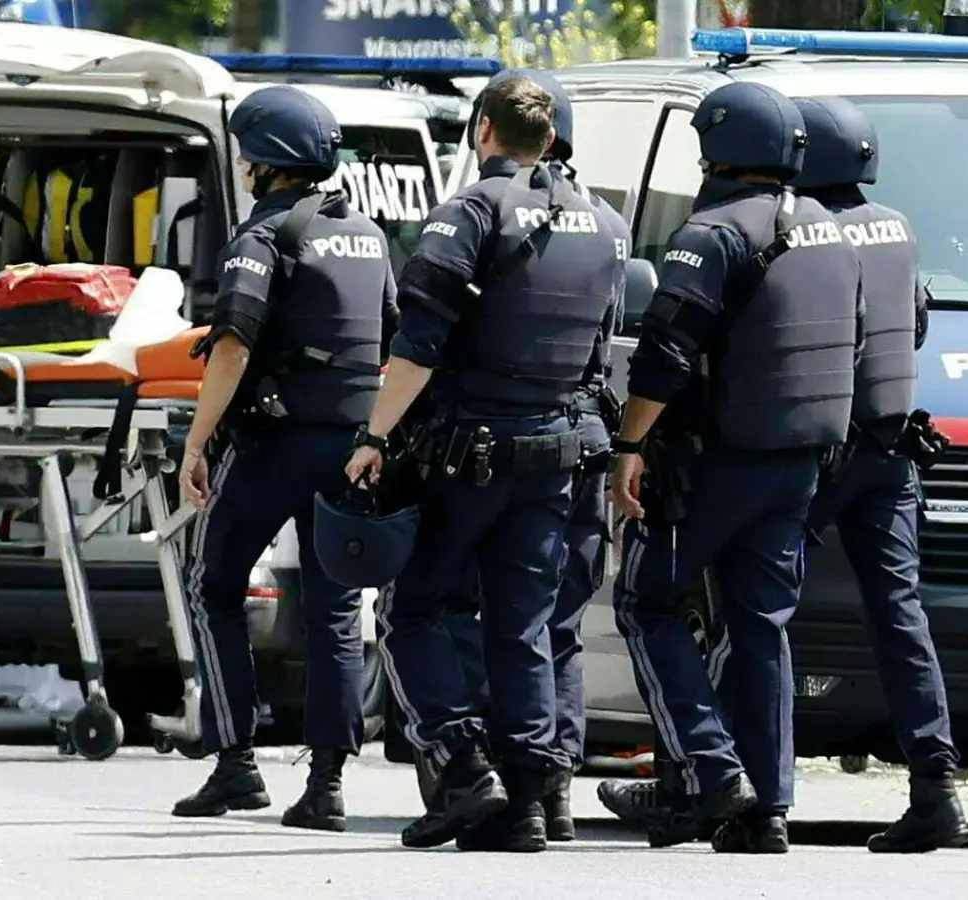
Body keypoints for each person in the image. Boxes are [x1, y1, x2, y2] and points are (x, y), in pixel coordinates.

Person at [343, 73, 618, 853]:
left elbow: (417, 346)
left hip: (470, 454)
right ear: (551, 139)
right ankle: (530, 800)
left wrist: (373, 439)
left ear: (481, 133)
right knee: (524, 624)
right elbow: (601, 346)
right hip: (558, 451)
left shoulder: (468, 211)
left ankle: (462, 766)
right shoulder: (602, 220)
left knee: (413, 610)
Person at [601, 81, 862, 853]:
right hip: (801, 464)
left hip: (713, 464)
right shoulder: (832, 231)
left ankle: (712, 769)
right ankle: (768, 806)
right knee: (761, 626)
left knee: (646, 603)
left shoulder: (709, 234)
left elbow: (665, 352)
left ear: (720, 147)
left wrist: (628, 446)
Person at [170, 85, 396, 829]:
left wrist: (198, 442)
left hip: (279, 440)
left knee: (213, 581)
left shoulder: (262, 236)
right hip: (355, 444)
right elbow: (392, 337)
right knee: (334, 608)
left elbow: (232, 344)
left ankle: (235, 761)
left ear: (265, 163)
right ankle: (326, 785)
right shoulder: (368, 233)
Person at [789, 96, 968, 853]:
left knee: (746, 596)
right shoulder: (896, 225)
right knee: (900, 617)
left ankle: (714, 777)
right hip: (893, 453)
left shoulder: (807, 230)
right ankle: (937, 788)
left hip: (819, 451)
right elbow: (916, 323)